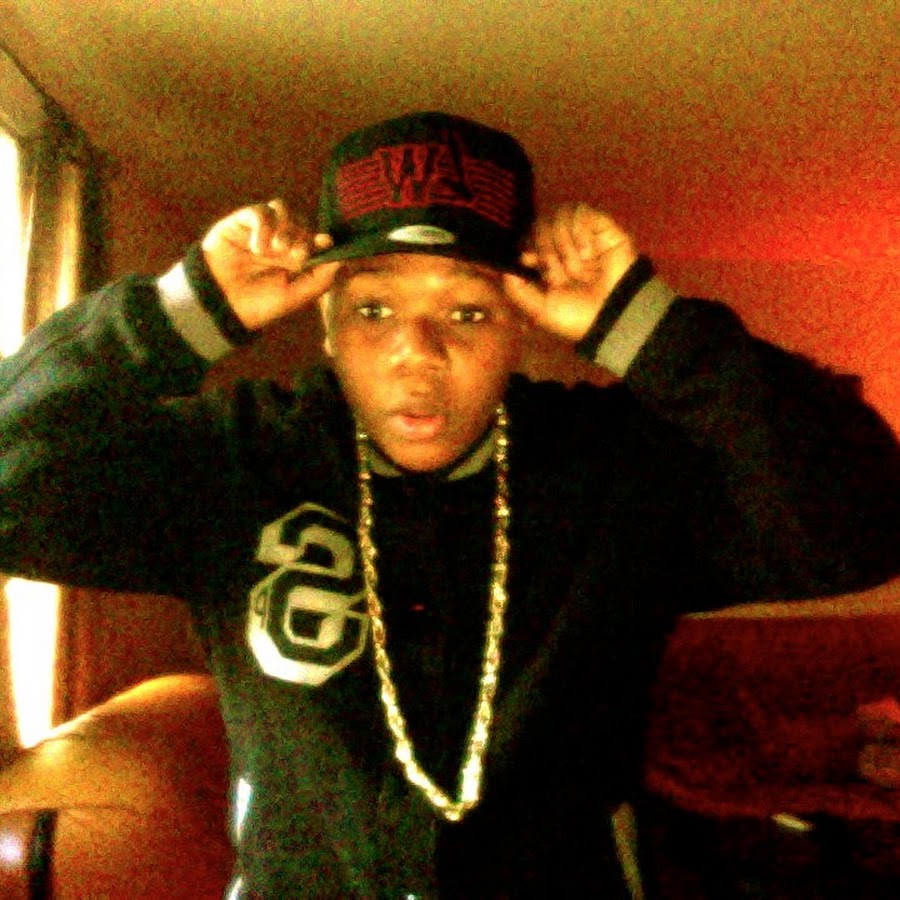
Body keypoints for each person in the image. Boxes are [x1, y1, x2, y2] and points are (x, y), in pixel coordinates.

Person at [1, 110, 899, 899]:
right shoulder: (232, 459)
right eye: (374, 311)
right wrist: (179, 311)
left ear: (519, 328)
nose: (417, 352)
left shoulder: (621, 470)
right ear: (325, 326)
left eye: (467, 313)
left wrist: (647, 326)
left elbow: (863, 524)